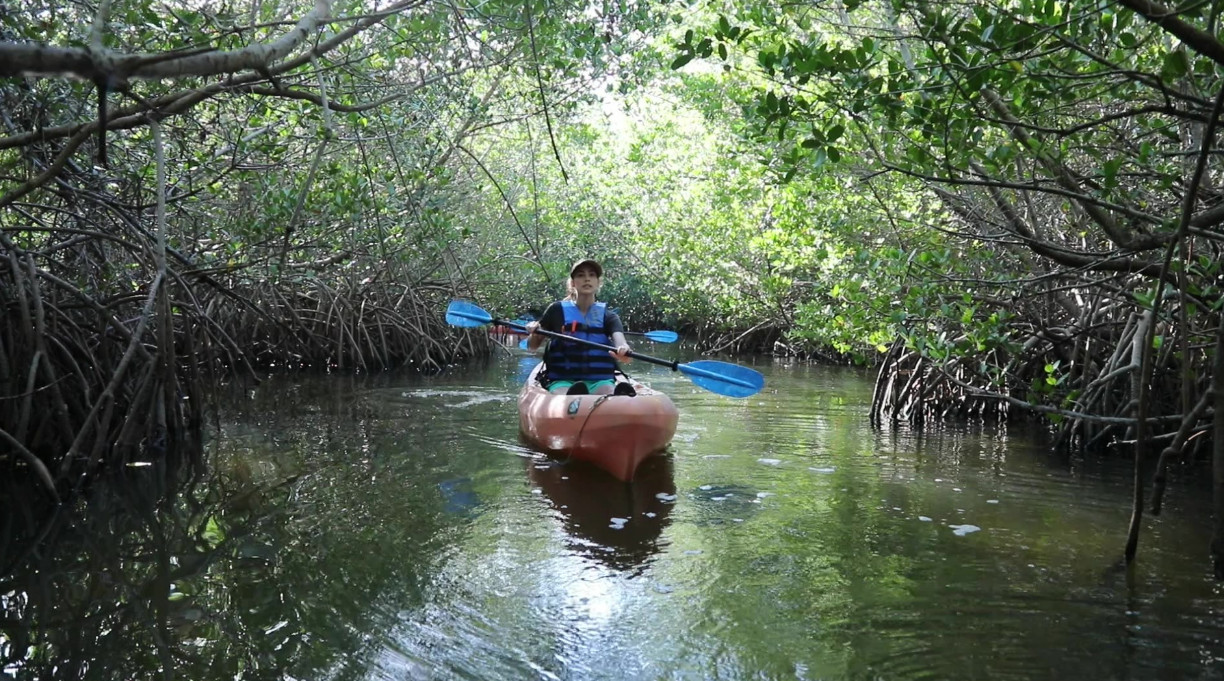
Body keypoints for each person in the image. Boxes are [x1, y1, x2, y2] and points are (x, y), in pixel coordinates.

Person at [525, 258, 634, 395]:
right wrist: (535, 332)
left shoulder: (609, 316)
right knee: (563, 394)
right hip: (562, 379)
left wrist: (624, 351)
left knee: (607, 391)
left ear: (598, 282)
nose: (587, 279)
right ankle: (573, 399)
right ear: (572, 283)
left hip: (600, 380)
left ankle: (614, 400)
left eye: (592, 275)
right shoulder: (556, 311)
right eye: (581, 275)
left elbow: (621, 342)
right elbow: (532, 346)